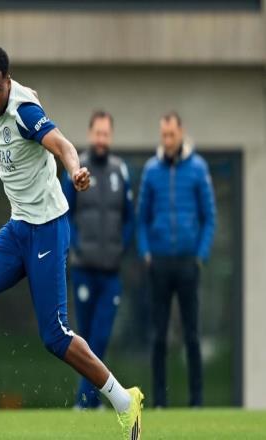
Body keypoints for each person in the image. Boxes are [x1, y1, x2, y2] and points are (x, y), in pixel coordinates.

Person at [0, 47, 143, 438]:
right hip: (19, 226)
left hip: (48, 228)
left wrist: (76, 170)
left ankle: (124, 400)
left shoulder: (24, 112)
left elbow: (64, 145)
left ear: (8, 81)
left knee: (55, 336)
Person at [137, 111, 216, 408]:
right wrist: (146, 253)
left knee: (192, 335)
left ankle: (196, 402)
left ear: (181, 133)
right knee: (159, 336)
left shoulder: (198, 168)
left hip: (187, 263)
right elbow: (141, 218)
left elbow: (209, 217)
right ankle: (159, 401)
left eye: (171, 134)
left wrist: (200, 255)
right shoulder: (151, 171)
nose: (167, 140)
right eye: (164, 135)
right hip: (159, 262)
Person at [62, 110, 134, 409]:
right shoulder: (78, 168)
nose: (102, 139)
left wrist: (120, 248)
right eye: (98, 133)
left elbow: (129, 218)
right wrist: (76, 247)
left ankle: (86, 400)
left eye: (106, 134)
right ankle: (89, 401)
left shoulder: (120, 171)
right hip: (83, 269)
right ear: (90, 134)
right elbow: (64, 212)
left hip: (111, 271)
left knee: (101, 337)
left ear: (110, 136)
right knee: (86, 339)